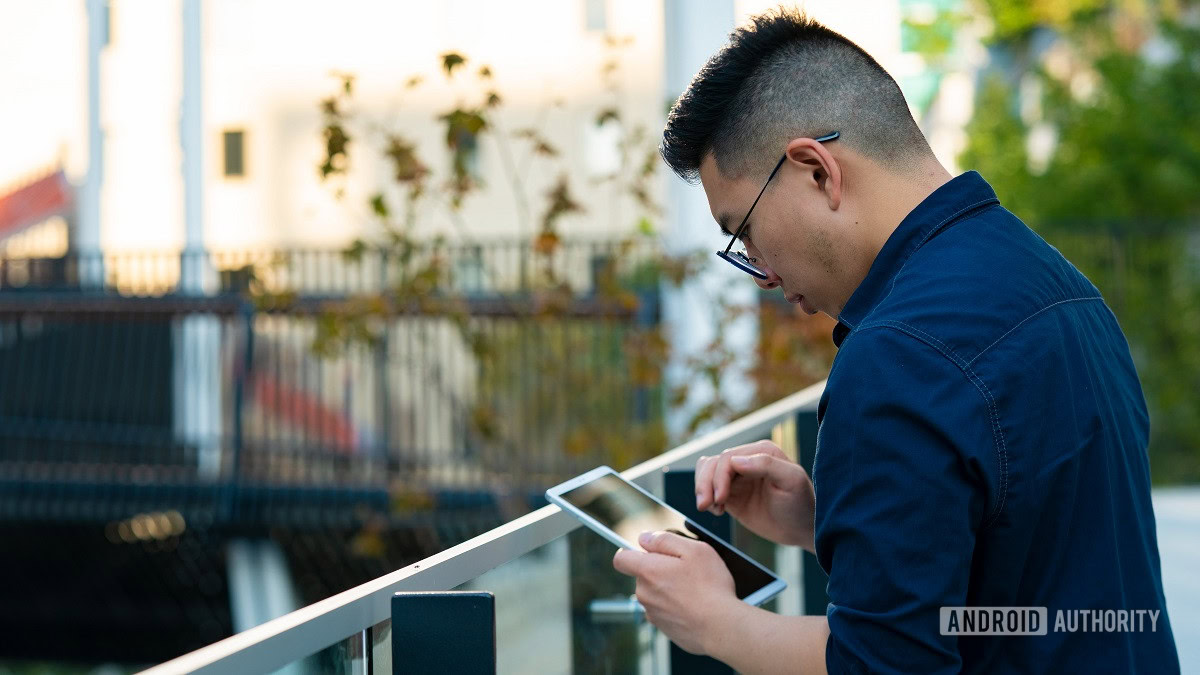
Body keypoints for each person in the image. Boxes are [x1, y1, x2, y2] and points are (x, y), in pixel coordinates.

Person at [611, 8, 1180, 674]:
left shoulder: (898, 355)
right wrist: (825, 517)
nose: (762, 273)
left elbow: (880, 663)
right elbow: (1042, 567)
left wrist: (716, 622)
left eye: (746, 233)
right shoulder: (1054, 279)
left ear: (816, 170)